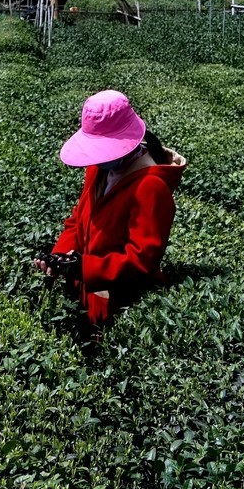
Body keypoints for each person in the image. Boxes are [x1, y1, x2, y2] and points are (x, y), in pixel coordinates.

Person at [36, 90, 185, 329]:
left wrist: (83, 267)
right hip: (87, 297)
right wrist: (61, 257)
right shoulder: (99, 169)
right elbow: (77, 220)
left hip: (120, 308)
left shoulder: (151, 188)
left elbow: (140, 262)